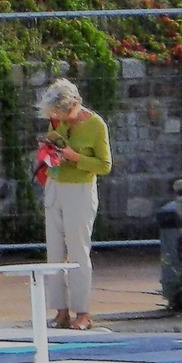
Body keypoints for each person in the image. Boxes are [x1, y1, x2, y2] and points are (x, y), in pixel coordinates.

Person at [37, 78, 112, 330]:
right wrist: (49, 150)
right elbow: (55, 146)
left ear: (72, 104)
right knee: (54, 250)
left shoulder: (96, 125)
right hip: (55, 185)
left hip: (80, 190)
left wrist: (75, 157)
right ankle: (60, 311)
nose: (56, 117)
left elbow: (105, 165)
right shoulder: (58, 120)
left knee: (78, 251)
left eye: (59, 112)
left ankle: (83, 313)